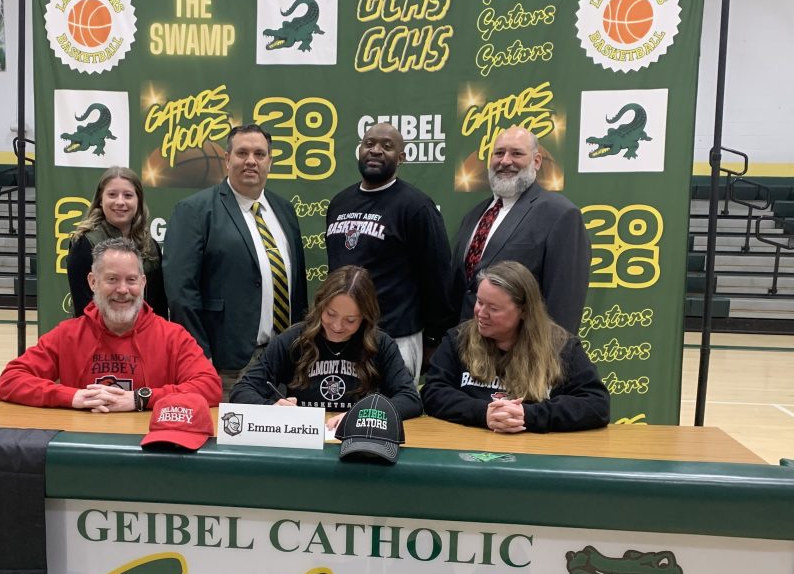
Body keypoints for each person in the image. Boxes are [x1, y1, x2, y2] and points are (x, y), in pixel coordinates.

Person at [164, 123, 307, 396]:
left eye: (259, 154)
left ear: (270, 162)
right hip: (225, 364)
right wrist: (198, 355)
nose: (251, 161)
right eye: (242, 153)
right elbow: (181, 292)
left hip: (284, 361)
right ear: (227, 159)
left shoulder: (285, 210)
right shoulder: (195, 210)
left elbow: (297, 286)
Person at [0, 238, 220, 411]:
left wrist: (140, 398)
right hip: (84, 444)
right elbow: (10, 380)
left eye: (131, 280)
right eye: (112, 279)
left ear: (143, 283)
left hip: (149, 445)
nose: (122, 290)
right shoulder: (68, 334)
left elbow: (209, 387)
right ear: (93, 282)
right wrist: (72, 396)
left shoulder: (173, 336)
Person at [325, 121, 454, 381]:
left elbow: (437, 278)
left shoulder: (416, 207)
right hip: (342, 334)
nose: (376, 150)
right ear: (360, 150)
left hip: (395, 337)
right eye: (369, 143)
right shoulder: (339, 202)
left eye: (387, 146)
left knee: (390, 407)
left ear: (401, 157)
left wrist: (434, 338)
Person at [423, 260, 609, 433]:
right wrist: (483, 413)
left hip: (536, 449)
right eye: (479, 302)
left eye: (494, 308)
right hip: (471, 445)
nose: (481, 313)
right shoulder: (459, 338)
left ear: (524, 311)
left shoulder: (561, 346)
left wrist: (526, 415)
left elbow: (596, 404)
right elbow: (433, 392)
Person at [230, 265, 422, 429]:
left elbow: (410, 400)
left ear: (365, 318)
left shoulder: (381, 344)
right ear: (320, 305)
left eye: (350, 320)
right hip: (303, 435)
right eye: (330, 314)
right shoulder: (294, 340)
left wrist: (363, 413)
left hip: (358, 438)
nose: (337, 326)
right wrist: (272, 408)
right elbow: (242, 390)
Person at [449, 125, 591, 334]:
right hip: (465, 344)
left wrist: (552, 351)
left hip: (522, 349)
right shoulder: (474, 216)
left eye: (516, 153)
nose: (505, 161)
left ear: (536, 161)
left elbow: (565, 304)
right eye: (499, 153)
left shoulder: (560, 214)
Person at [66, 166, 167, 319]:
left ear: (138, 201)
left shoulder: (151, 246)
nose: (120, 202)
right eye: (112, 195)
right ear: (101, 200)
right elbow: (83, 310)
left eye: (128, 195)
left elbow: (159, 306)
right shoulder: (84, 245)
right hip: (99, 332)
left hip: (146, 331)